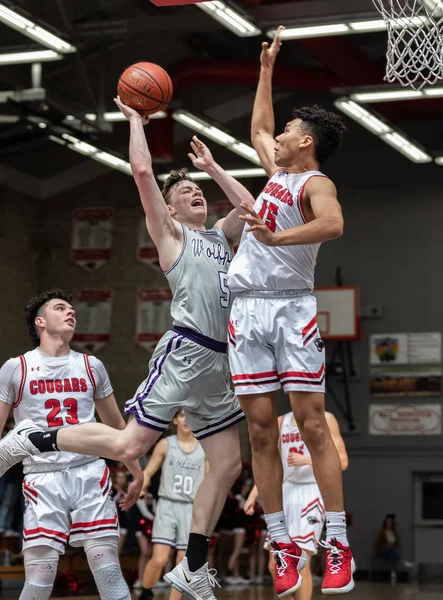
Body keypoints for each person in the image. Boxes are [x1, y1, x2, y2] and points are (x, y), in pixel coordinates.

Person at [0, 98, 256, 599]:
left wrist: (213, 167)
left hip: (221, 364)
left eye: (197, 189)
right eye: (184, 190)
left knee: (227, 465)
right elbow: (142, 170)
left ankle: (193, 567)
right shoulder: (172, 235)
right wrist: (137, 121)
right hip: (185, 352)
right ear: (172, 207)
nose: (194, 193)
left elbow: (250, 207)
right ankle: (35, 440)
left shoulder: (222, 238)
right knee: (127, 446)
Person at [226, 26, 354, 597]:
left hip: (291, 310)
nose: (275, 136)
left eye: (286, 132)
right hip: (246, 312)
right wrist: (266, 68)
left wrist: (277, 242)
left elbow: (334, 225)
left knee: (310, 425)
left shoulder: (315, 183)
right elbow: (256, 126)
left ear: (305, 142)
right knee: (258, 431)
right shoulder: (278, 172)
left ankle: (338, 543)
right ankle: (282, 543)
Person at [0, 289, 143, 600]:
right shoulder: (16, 368)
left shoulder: (92, 365)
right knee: (39, 579)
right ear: (40, 321)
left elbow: (117, 426)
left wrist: (137, 472)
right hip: (41, 477)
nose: (71, 313)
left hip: (89, 471)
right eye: (60, 308)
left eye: (72, 309)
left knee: (107, 570)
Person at [244, 411, 348, 600]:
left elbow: (342, 461)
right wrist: (253, 494)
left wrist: (307, 460)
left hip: (311, 492)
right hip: (285, 492)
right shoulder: (280, 422)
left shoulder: (325, 418)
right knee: (275, 565)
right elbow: (270, 465)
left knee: (302, 562)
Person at [139, 409, 206, 600]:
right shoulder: (165, 444)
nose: (187, 420)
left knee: (182, 561)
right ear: (175, 420)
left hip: (191, 507)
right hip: (167, 505)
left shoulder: (204, 447)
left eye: (191, 415)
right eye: (183, 415)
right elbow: (148, 472)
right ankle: (145, 592)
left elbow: (211, 481)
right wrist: (142, 486)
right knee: (159, 558)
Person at [375, 514, 413, 583]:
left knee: (393, 554)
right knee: (392, 550)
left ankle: (393, 572)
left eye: (390, 523)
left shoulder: (393, 532)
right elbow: (378, 544)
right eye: (388, 523)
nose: (389, 524)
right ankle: (403, 561)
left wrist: (392, 545)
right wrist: (386, 545)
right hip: (383, 551)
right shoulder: (382, 532)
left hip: (391, 550)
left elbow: (396, 543)